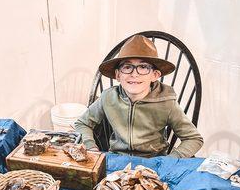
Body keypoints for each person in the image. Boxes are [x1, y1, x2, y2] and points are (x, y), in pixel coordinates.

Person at [74, 34, 203, 158]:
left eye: (143, 67)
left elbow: (194, 138)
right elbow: (82, 123)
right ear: (118, 75)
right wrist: (90, 147)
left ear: (155, 75)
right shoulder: (108, 97)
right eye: (127, 67)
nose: (134, 74)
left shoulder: (167, 103)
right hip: (117, 159)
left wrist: (171, 159)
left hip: (153, 163)